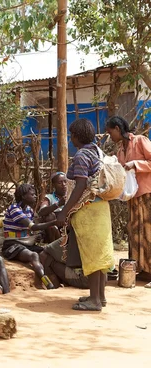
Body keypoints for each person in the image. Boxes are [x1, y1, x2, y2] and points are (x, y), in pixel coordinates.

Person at [56, 118, 114, 311]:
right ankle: (99, 296)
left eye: (71, 135)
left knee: (92, 256)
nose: (70, 139)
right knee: (100, 254)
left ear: (77, 136)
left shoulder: (81, 155)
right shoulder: (97, 151)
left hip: (89, 211)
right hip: (101, 208)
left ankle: (95, 301)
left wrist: (64, 212)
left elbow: (80, 185)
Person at [106, 116, 151, 286]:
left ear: (118, 128)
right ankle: (145, 270)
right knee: (137, 232)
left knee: (149, 231)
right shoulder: (120, 151)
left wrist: (136, 164)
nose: (110, 136)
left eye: (111, 133)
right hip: (133, 197)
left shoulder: (140, 141)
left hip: (147, 193)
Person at [2, 183, 57, 289]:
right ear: (23, 196)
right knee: (34, 256)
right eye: (32, 194)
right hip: (12, 245)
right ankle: (47, 283)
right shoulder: (14, 209)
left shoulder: (29, 210)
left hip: (25, 243)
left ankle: (54, 280)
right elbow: (33, 227)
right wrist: (53, 223)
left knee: (46, 253)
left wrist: (37, 236)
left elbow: (31, 231)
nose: (35, 196)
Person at [37, 172, 68, 243]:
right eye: (60, 183)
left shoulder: (72, 196)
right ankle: (54, 245)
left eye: (65, 182)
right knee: (49, 216)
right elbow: (41, 212)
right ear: (54, 185)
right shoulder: (49, 198)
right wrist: (59, 204)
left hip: (68, 228)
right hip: (54, 230)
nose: (64, 185)